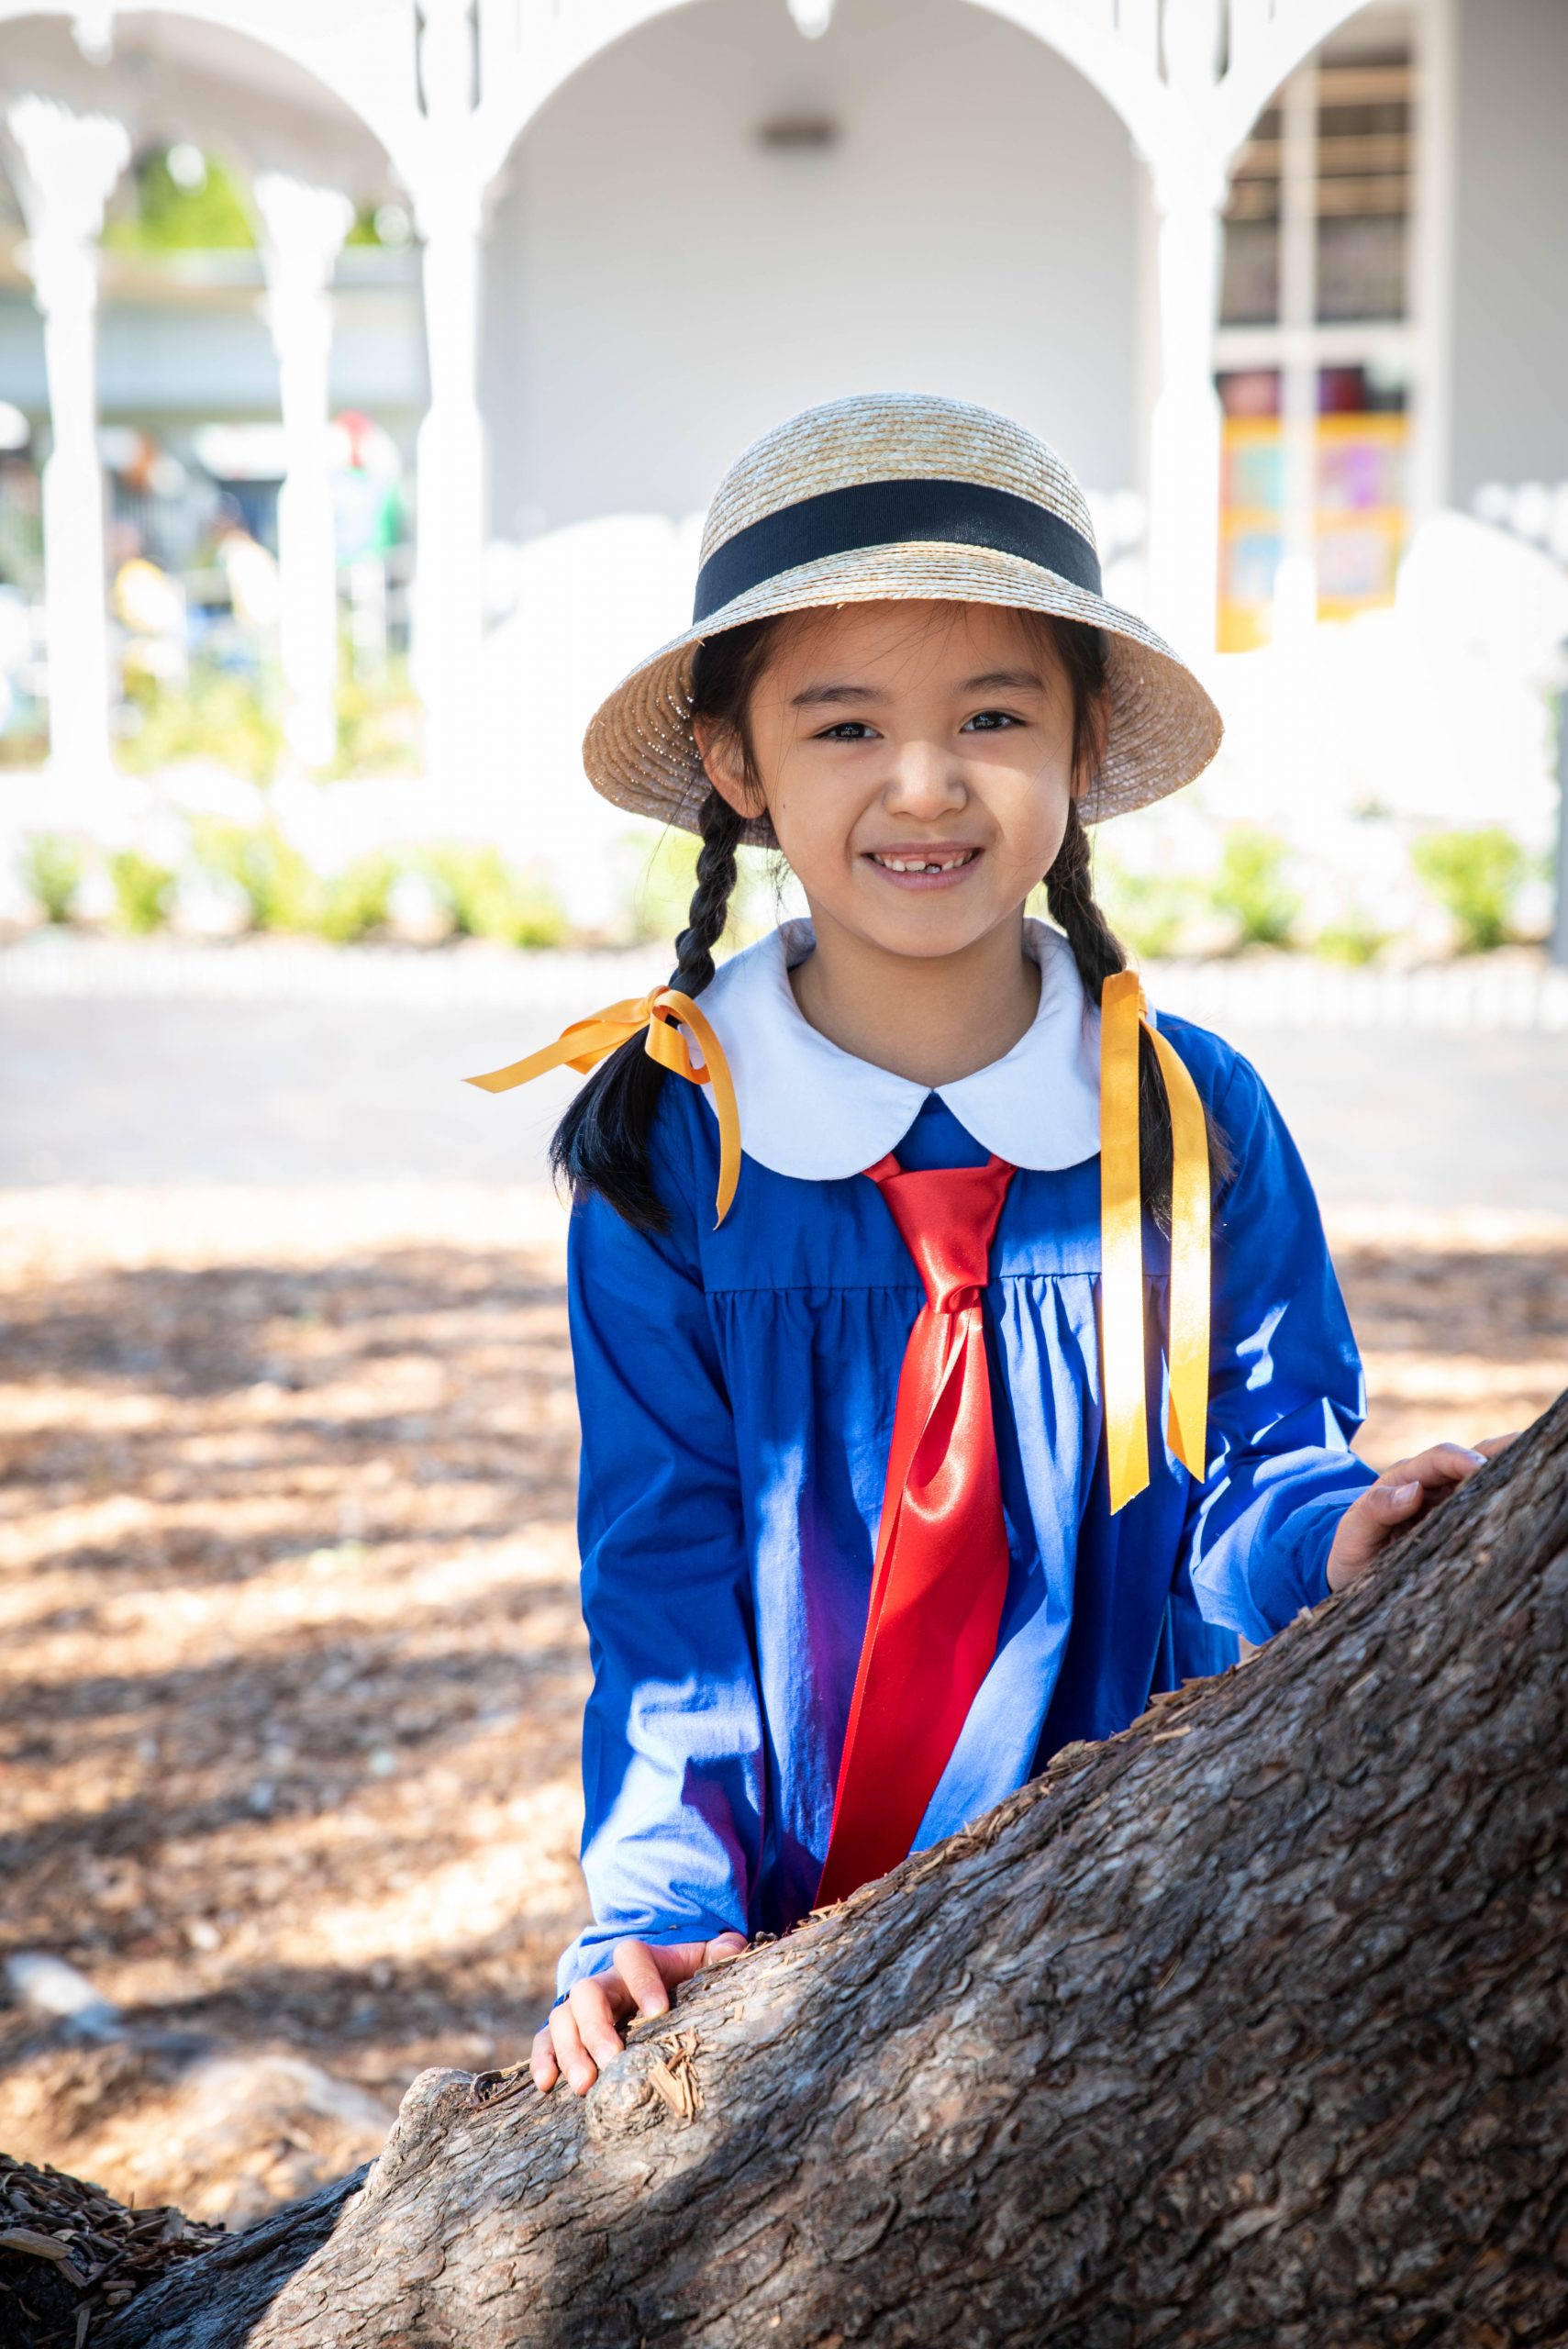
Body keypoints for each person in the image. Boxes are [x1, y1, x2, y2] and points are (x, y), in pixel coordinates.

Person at [468, 394, 1514, 2099]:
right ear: (735, 767)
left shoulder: (1188, 1120)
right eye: (843, 725)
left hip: (1126, 1903)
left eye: (993, 714)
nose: (926, 782)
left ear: (1083, 745)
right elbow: (660, 1562)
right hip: (787, 1937)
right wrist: (656, 1905)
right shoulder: (671, 1142)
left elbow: (1254, 1466)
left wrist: (1343, 1541)